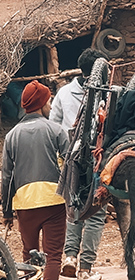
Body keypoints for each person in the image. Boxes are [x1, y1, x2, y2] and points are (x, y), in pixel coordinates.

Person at [50, 48, 108, 280]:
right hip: (98, 158)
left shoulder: (64, 93)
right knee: (95, 211)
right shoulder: (107, 94)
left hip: (71, 159)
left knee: (73, 207)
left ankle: (70, 257)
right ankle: (85, 268)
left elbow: (54, 126)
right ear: (99, 70)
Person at [2, 80, 69, 280]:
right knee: (53, 257)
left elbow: (7, 176)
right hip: (54, 201)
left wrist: (7, 212)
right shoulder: (56, 130)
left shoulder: (11, 136)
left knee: (28, 255)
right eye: (48, 102)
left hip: (25, 204)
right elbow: (71, 165)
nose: (50, 105)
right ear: (41, 104)